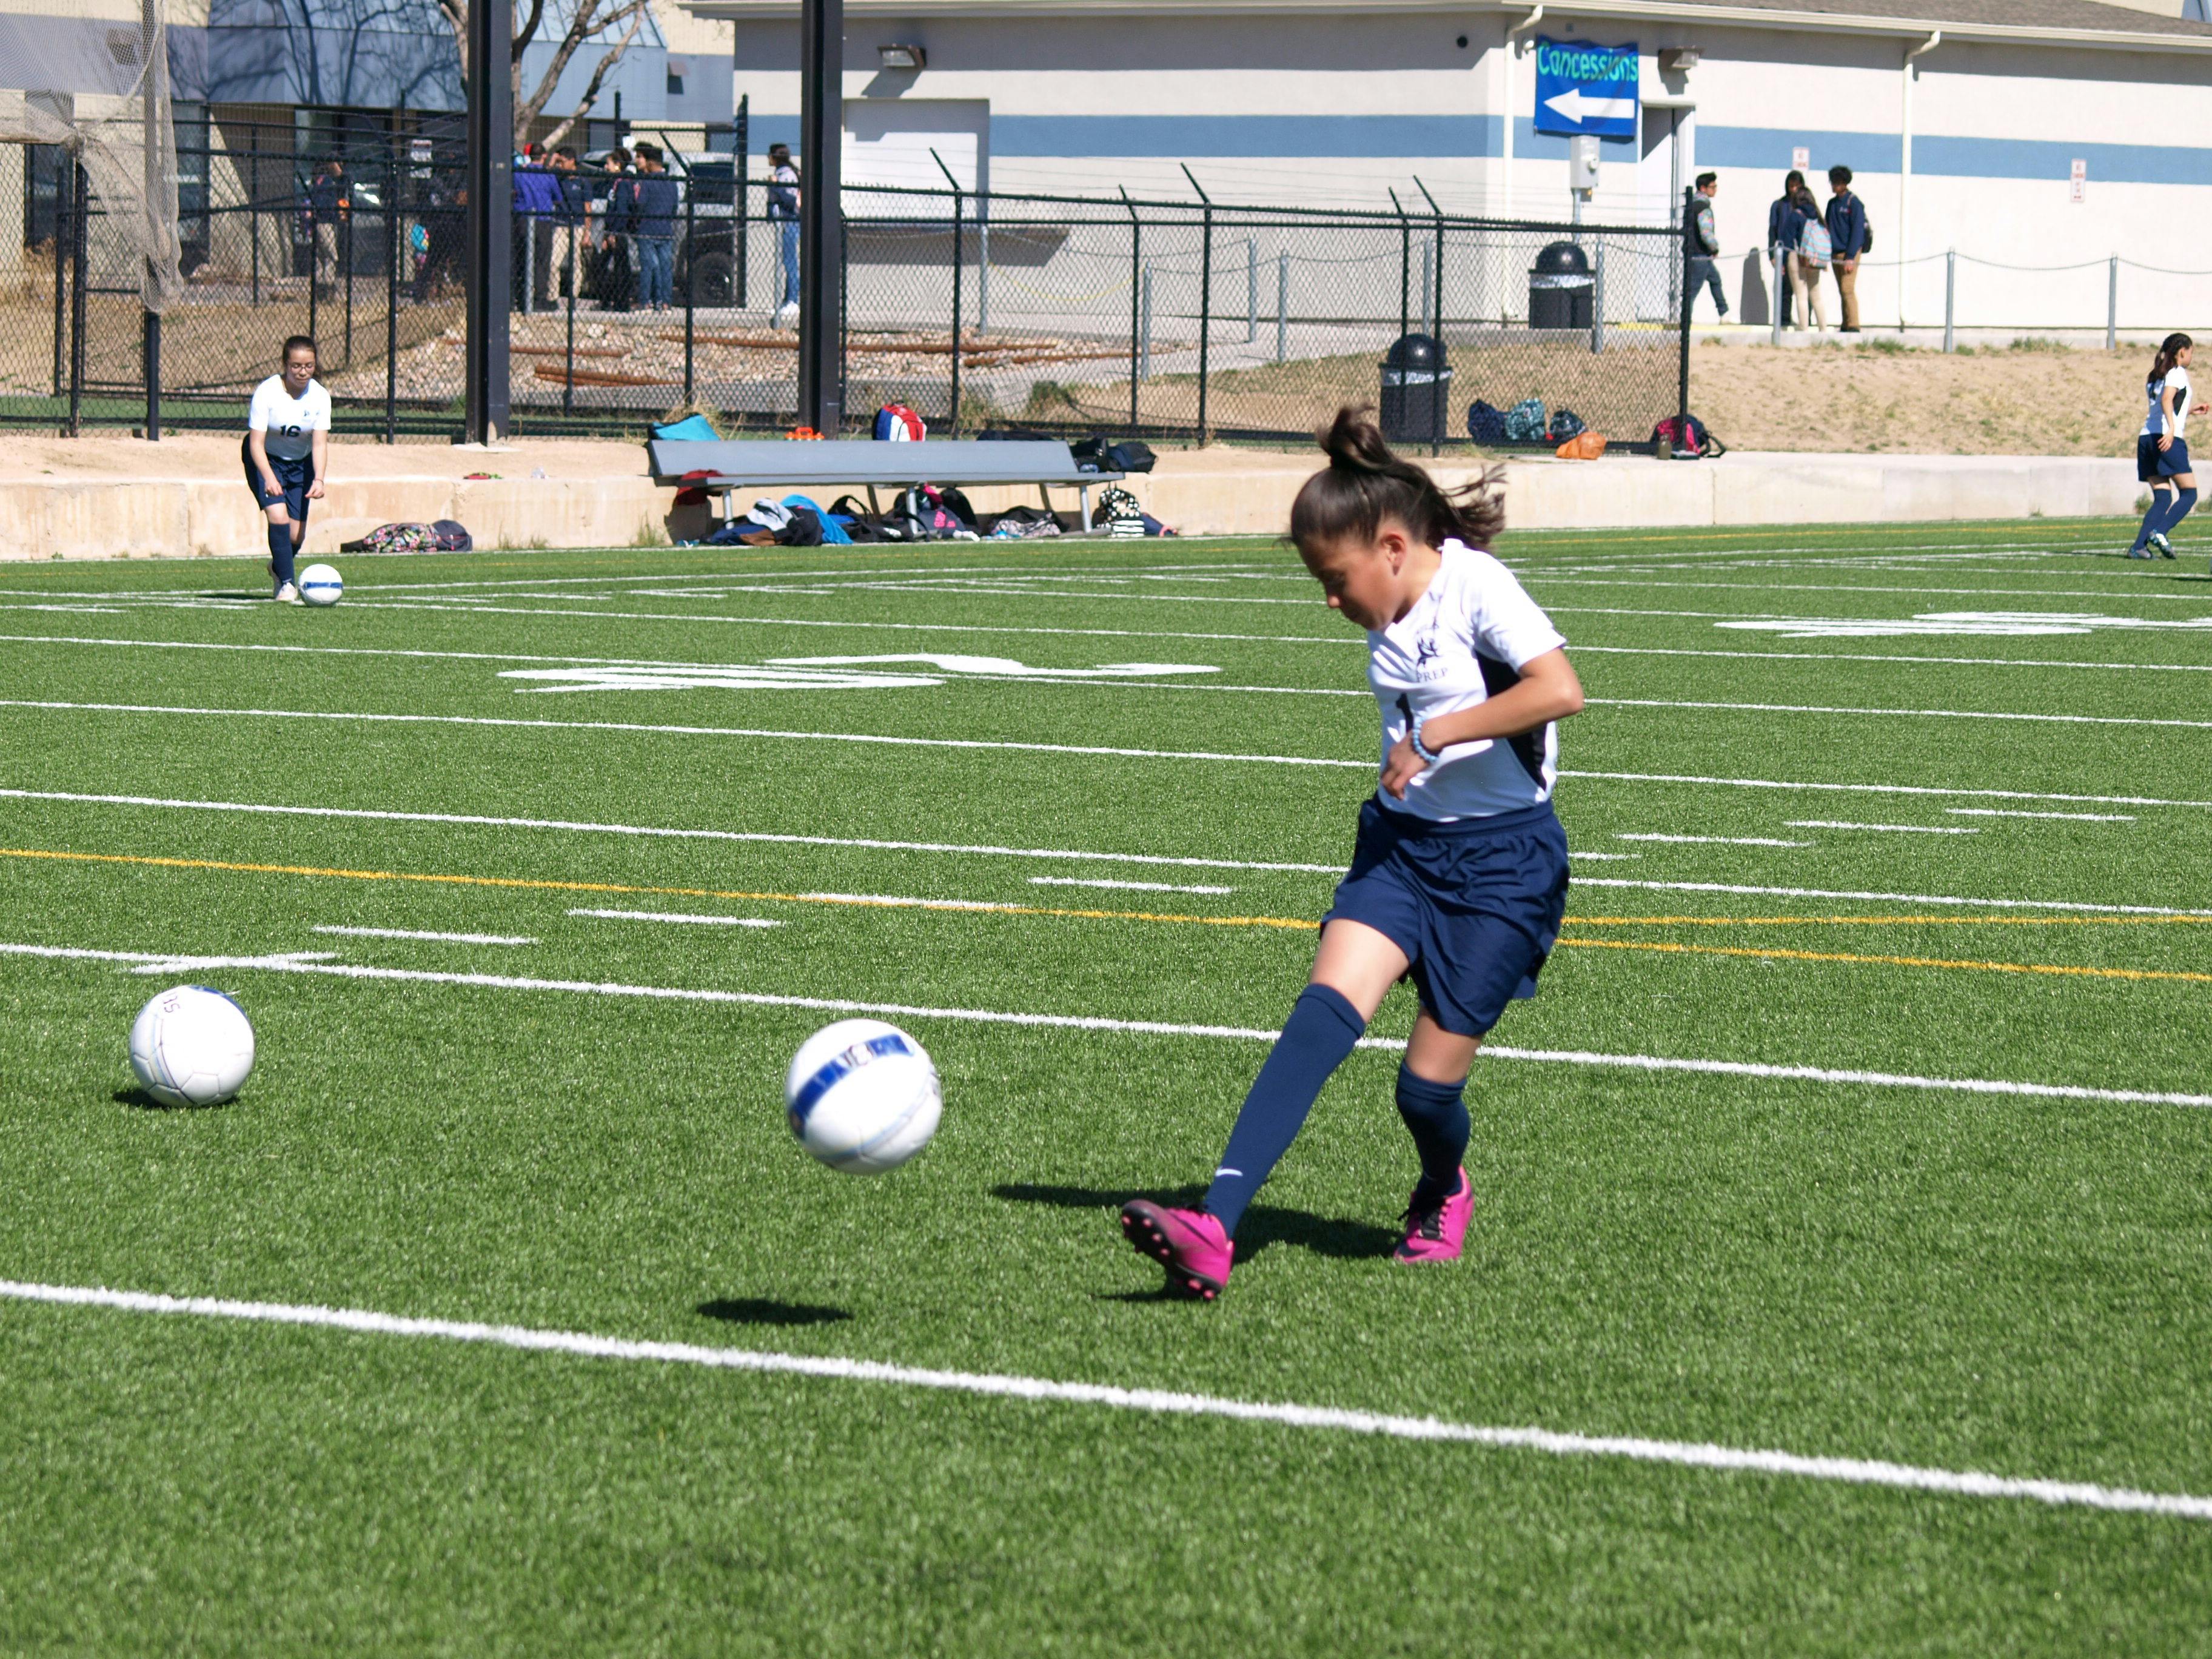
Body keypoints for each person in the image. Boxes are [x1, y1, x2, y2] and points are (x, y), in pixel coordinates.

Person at [1119, 406, 1584, 1301]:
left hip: (1503, 867)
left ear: (1396, 547)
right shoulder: (1390, 597)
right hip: (1402, 850)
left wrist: (1440, 734)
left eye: (1337, 580)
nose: (1330, 601)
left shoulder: (1479, 588)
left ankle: (1443, 1184)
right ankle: (1216, 1227)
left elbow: (1560, 691)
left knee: (1424, 1095)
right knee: (1321, 1014)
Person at [243, 336, 331, 605]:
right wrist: (269, 477)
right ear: (285, 364)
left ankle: (277, 567)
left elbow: (319, 444)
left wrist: (319, 479)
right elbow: (255, 443)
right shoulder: (267, 392)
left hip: (300, 464)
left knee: (296, 535)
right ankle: (287, 584)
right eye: (296, 366)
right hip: (265, 459)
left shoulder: (320, 396)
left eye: (308, 366)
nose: (302, 372)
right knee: (278, 517)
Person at [2128, 332, 2207, 560]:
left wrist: (2188, 412)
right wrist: (2172, 429)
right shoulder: (2177, 372)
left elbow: (2163, 406)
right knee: (2190, 494)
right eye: (2192, 351)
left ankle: (2138, 547)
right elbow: (2166, 400)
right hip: (2166, 439)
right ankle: (2160, 532)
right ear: (2183, 351)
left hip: (2147, 438)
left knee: (2163, 498)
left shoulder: (2156, 374)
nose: (2192, 356)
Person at [628, 142, 679, 311]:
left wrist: (636, 222)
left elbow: (640, 205)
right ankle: (665, 302)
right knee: (665, 268)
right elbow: (674, 208)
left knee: (648, 268)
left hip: (647, 230)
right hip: (665, 230)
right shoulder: (672, 183)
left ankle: (645, 301)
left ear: (650, 163)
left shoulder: (648, 182)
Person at [1824, 165, 1868, 333]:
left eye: (1837, 182)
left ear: (1844, 183)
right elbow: (1827, 227)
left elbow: (1858, 231)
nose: (1834, 185)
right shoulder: (1832, 204)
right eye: (1832, 182)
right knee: (1841, 289)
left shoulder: (1854, 203)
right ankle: (1845, 324)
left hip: (1850, 252)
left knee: (1847, 288)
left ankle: (1854, 325)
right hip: (1836, 252)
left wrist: (1850, 256)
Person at [766, 142, 801, 327]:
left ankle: (793, 300)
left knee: (790, 262)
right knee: (787, 261)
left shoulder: (786, 175)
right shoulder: (781, 175)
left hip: (790, 223)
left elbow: (790, 200)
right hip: (783, 223)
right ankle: (787, 299)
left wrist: (776, 186)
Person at [1766, 169, 1805, 329]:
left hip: (1803, 253)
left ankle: (1805, 321)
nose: (1794, 189)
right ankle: (1784, 320)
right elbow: (1773, 230)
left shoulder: (1805, 206)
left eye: (1797, 186)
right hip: (1785, 252)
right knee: (1785, 288)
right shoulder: (1780, 205)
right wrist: (1772, 254)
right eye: (1791, 186)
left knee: (1804, 289)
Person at [1790, 183, 1829, 333]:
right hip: (1815, 258)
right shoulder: (1817, 215)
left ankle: (1804, 327)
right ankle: (1823, 328)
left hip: (1799, 257)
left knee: (1801, 294)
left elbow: (1787, 238)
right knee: (1816, 295)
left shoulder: (1796, 215)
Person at [549, 146, 587, 300]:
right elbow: (545, 175)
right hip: (561, 224)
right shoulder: (558, 178)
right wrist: (553, 160)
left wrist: (587, 232)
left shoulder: (583, 181)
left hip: (577, 225)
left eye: (562, 162)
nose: (560, 166)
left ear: (572, 161)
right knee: (554, 262)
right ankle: (552, 295)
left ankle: (574, 295)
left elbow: (588, 208)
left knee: (576, 262)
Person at [1689, 172, 1726, 321]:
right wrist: (1714, 248)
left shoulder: (1691, 205)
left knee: (1715, 279)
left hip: (1695, 253)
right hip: (1700, 255)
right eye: (1713, 186)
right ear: (1703, 188)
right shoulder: (1703, 208)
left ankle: (1724, 312)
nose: (1715, 189)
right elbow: (1706, 233)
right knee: (1693, 289)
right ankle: (1685, 320)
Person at [308, 158, 346, 293]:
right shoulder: (327, 182)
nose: (341, 167)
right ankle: (327, 287)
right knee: (331, 256)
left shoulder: (320, 181)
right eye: (339, 164)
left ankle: (319, 286)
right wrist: (338, 212)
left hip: (319, 222)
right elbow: (325, 204)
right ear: (331, 165)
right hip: (325, 222)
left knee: (321, 256)